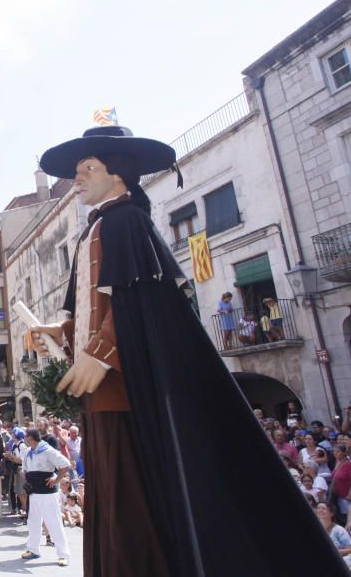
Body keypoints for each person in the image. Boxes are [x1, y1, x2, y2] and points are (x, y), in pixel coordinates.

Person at [32, 125, 345, 575]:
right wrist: (57, 330)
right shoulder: (93, 230)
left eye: (88, 169)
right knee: (114, 492)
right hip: (103, 389)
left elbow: (138, 302)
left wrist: (99, 352)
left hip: (124, 384)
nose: (77, 179)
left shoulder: (126, 222)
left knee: (132, 497)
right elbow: (89, 307)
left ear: (118, 175)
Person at [20, 429, 71, 567]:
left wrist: (57, 480)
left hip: (47, 492)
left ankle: (63, 554)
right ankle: (33, 549)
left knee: (54, 522)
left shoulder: (47, 450)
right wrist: (26, 477)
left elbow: (65, 464)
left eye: (26, 437)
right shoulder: (27, 452)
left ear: (31, 438)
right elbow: (24, 470)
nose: (24, 439)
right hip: (33, 492)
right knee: (33, 522)